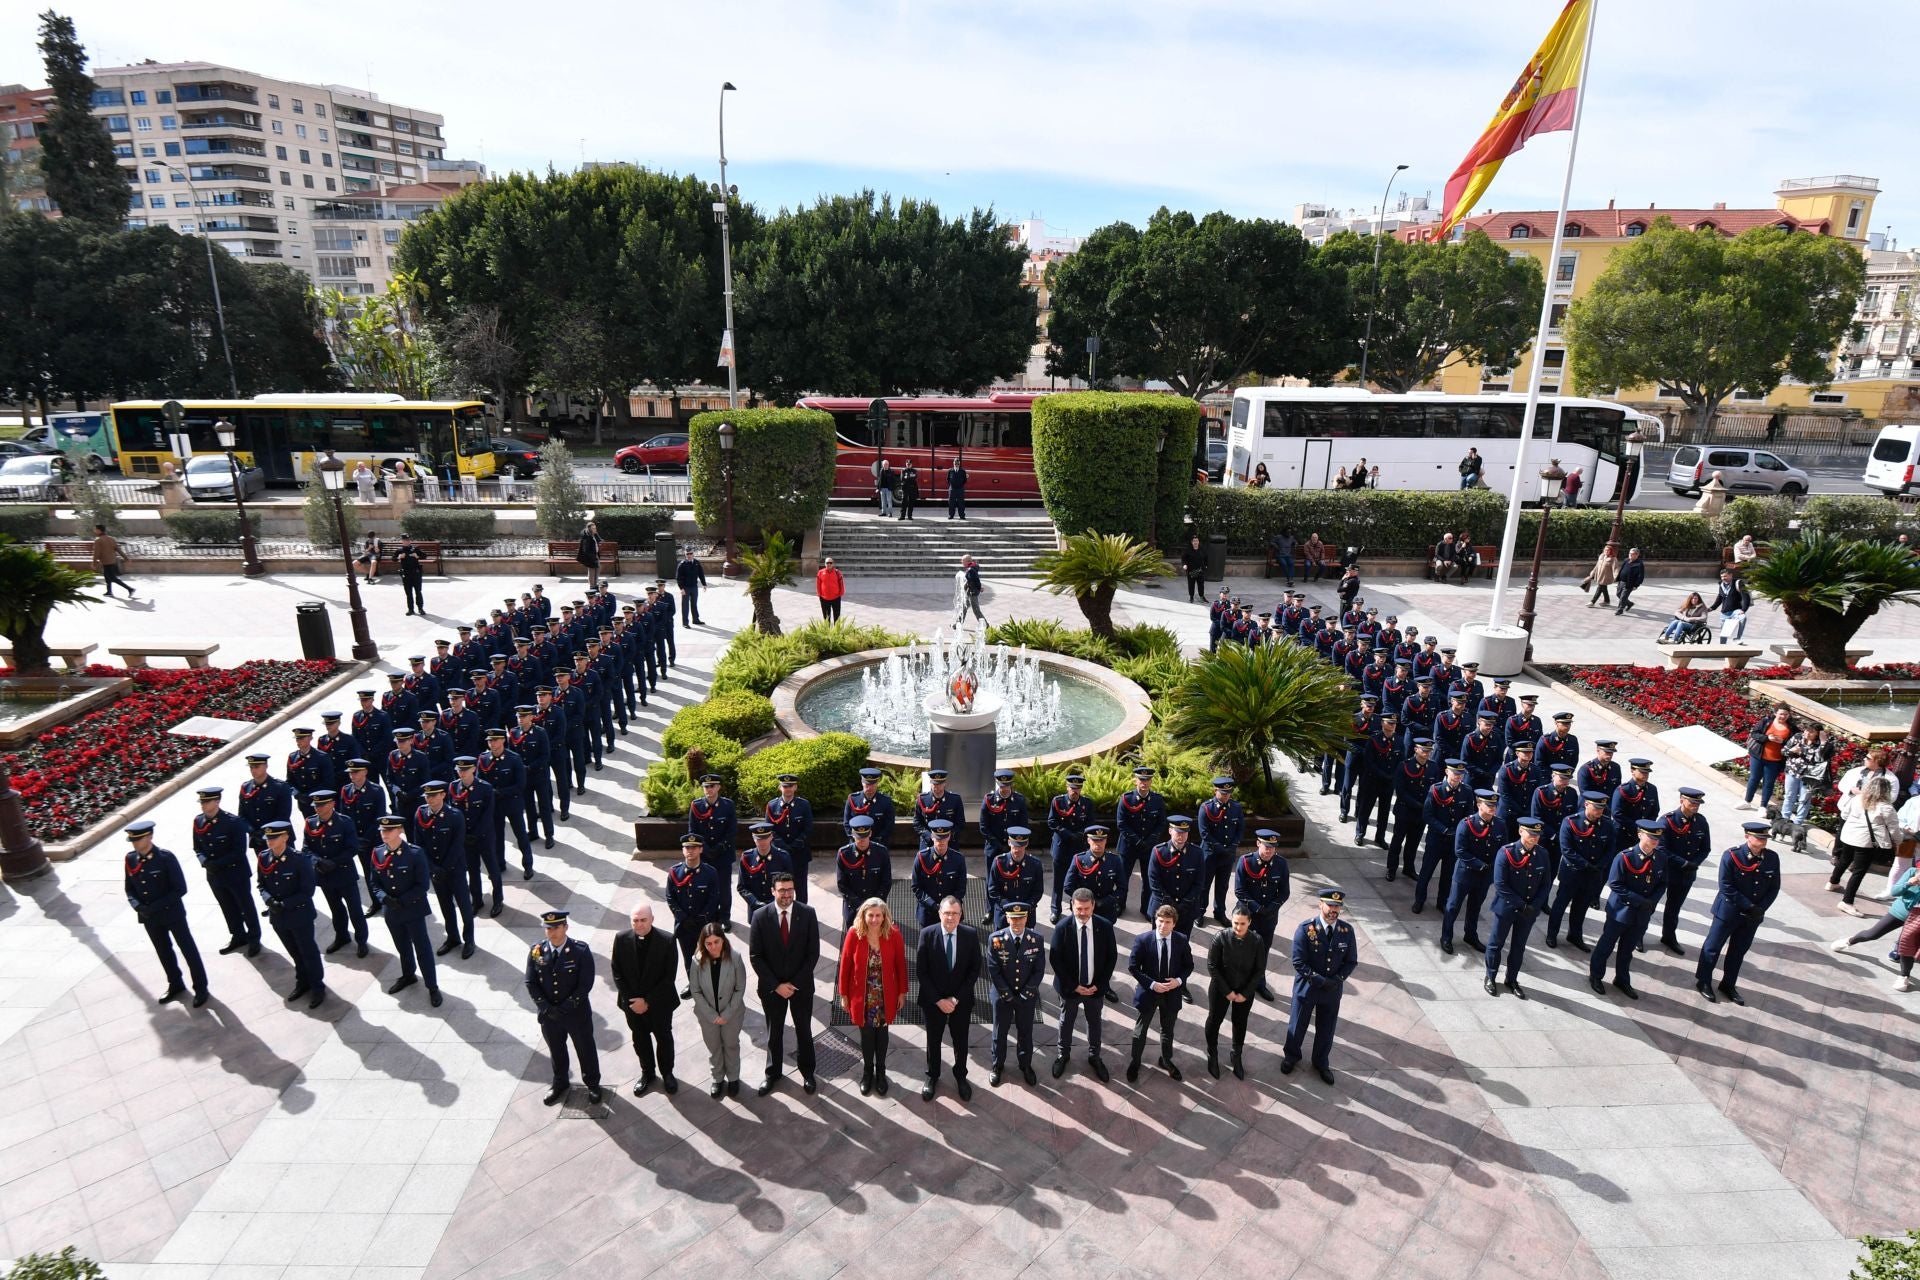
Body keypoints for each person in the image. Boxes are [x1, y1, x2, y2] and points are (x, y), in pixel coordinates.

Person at [124, 819, 209, 1007]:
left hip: (172, 914)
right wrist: (137, 906)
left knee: (188, 949)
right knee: (163, 951)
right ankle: (175, 983)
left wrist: (153, 907)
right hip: (149, 918)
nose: (135, 844)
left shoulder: (165, 858)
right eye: (133, 841)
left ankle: (201, 987)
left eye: (139, 839)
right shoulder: (130, 859)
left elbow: (180, 889)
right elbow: (129, 889)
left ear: (150, 837)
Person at [749, 874, 820, 1095]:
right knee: (774, 1032)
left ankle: (808, 1073)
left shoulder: (807, 913)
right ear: (773, 891)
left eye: (790, 889)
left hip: (801, 987)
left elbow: (813, 954)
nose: (786, 894)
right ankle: (773, 1074)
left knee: (804, 1031)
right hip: (772, 989)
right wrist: (777, 985)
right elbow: (756, 956)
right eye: (782, 890)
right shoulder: (760, 916)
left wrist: (794, 983)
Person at [1697, 822, 1781, 1005]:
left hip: (1752, 916)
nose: (1763, 841)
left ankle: (1728, 984)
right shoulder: (1732, 855)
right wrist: (1748, 905)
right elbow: (1726, 886)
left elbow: (1774, 887)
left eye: (1765, 838)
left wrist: (1761, 908)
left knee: (1738, 951)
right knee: (1712, 947)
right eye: (1759, 837)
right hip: (1729, 911)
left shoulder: (1772, 858)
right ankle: (1703, 981)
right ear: (1747, 837)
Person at [527, 910, 602, 1106]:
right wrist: (546, 1007)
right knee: (556, 1050)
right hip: (550, 1016)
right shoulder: (537, 951)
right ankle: (560, 1082)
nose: (551, 932)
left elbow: (585, 984)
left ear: (566, 927)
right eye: (548, 928)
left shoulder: (580, 951)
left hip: (576, 1013)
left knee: (585, 1049)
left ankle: (593, 1084)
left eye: (556, 927)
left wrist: (566, 1006)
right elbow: (530, 982)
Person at [1283, 887, 1356, 1084]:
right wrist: (1319, 980)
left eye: (1337, 906)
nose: (1334, 910)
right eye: (1330, 905)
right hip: (1307, 988)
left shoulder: (1346, 931)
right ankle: (1291, 1056)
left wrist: (1337, 979)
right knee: (1297, 1025)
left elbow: (1351, 961)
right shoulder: (1306, 929)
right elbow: (1298, 961)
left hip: (1332, 990)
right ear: (1320, 904)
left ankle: (1321, 1062)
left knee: (1327, 1028)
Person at [1588, 820, 1667, 1000]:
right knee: (1606, 945)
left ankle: (1622, 979)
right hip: (1621, 911)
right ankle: (1596, 975)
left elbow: (1663, 883)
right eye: (1650, 837)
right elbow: (1615, 883)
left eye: (1657, 838)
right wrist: (1640, 900)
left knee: (1627, 949)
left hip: (1642, 913)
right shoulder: (1625, 857)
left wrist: (1652, 901)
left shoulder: (1661, 858)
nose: (1654, 841)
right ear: (1640, 835)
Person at [838, 897, 909, 1096]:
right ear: (864, 915)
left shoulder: (893, 934)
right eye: (871, 915)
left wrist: (902, 992)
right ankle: (868, 1071)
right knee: (867, 1036)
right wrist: (843, 994)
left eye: (878, 915)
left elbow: (900, 965)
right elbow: (845, 966)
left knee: (882, 1035)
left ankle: (881, 1072)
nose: (875, 919)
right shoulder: (854, 933)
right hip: (862, 996)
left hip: (885, 995)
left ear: (884, 916)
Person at [611, 900, 679, 1096]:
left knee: (664, 1039)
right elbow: (617, 972)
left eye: (643, 920)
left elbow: (669, 977)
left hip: (659, 1004)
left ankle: (667, 1074)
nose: (639, 924)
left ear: (652, 920)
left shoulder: (667, 940)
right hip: (632, 1005)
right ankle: (647, 1073)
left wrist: (647, 1001)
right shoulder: (621, 938)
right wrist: (634, 1001)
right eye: (635, 921)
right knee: (640, 1039)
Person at [916, 895, 981, 1100]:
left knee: (960, 1041)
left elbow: (974, 970)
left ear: (961, 915)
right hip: (933, 1001)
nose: (951, 917)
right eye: (947, 913)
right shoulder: (927, 934)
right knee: (933, 1041)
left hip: (960, 1002)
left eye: (955, 913)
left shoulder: (970, 934)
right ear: (939, 914)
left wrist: (955, 999)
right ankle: (932, 1076)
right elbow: (921, 972)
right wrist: (938, 1000)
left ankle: (961, 1076)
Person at [369, 815, 438, 1005]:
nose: (384, 834)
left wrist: (402, 900)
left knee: (422, 949)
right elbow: (374, 883)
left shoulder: (415, 854)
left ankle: (432, 986)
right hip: (392, 911)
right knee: (402, 947)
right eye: (382, 831)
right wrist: (384, 899)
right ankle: (408, 975)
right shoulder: (377, 853)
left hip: (412, 909)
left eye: (389, 830)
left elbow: (422, 885)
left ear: (399, 830)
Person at [1049, 889, 1116, 1082]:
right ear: (1072, 906)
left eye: (1087, 908)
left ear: (1093, 906)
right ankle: (1063, 1055)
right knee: (1066, 1021)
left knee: (1094, 1022)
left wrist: (1100, 984)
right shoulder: (1062, 928)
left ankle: (1095, 1056)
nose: (1083, 913)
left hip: (1095, 989)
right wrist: (1073, 986)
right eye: (1079, 909)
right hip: (1070, 989)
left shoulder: (1105, 927)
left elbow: (1111, 958)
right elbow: (1056, 959)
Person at [1485, 817, 1552, 998]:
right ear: (1521, 831)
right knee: (1496, 944)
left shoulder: (1543, 854)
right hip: (1506, 908)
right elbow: (1500, 885)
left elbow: (1546, 884)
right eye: (1531, 834)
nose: (1534, 838)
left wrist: (1535, 905)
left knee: (1518, 947)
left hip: (1528, 912)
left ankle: (1512, 979)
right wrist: (1522, 904)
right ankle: (1490, 976)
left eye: (1537, 835)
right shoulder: (1506, 852)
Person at [191, 786, 260, 958]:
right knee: (227, 907)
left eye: (207, 801)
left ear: (217, 801)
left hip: (235, 873)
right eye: (202, 802)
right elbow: (197, 848)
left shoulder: (232, 822)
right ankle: (238, 935)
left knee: (245, 906)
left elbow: (239, 851)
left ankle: (254, 938)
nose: (203, 805)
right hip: (214, 875)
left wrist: (217, 863)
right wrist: (205, 863)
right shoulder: (198, 822)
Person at [1125, 904, 1192, 1082]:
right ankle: (1135, 1062)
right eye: (1160, 921)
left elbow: (1188, 965)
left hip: (1171, 994)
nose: (1163, 926)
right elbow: (1133, 967)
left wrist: (1178, 982)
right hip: (1149, 993)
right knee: (1140, 1031)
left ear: (1174, 924)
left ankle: (1166, 1060)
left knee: (1168, 1031)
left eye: (1167, 922)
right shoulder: (1143, 940)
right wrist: (1152, 984)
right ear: (1156, 920)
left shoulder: (1181, 940)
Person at [1830, 860, 1920, 992]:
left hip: (1917, 919)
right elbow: (1895, 891)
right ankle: (1850, 941)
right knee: (1872, 934)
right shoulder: (1911, 872)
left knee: (1906, 945)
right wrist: (1909, 883)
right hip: (1900, 913)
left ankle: (1903, 976)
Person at [987, 902, 1045, 1086]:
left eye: (1021, 918)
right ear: (1007, 918)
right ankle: (997, 1065)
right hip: (1003, 996)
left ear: (1027, 918)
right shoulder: (996, 939)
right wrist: (1008, 995)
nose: (1017, 922)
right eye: (1013, 918)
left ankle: (1025, 1065)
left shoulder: (1036, 939)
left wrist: (1026, 993)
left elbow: (1039, 970)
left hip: (1026, 997)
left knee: (1025, 1032)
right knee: (999, 1032)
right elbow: (993, 969)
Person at [1204, 906, 1263, 1079]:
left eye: (1242, 924)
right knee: (1215, 1020)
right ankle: (1212, 1053)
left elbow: (1259, 969)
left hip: (1245, 989)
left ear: (1249, 922)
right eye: (1235, 923)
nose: (1238, 927)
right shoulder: (1220, 937)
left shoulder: (1257, 941)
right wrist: (1227, 991)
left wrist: (1246, 992)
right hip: (1221, 988)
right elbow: (1212, 966)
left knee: (1240, 1022)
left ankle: (1236, 1054)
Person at [690, 922, 747, 1099]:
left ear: (723, 940)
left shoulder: (735, 958)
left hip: (732, 1014)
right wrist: (711, 1015)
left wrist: (727, 1013)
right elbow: (695, 990)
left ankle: (733, 1078)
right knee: (713, 1046)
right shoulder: (697, 960)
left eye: (716, 942)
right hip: (708, 1016)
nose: (713, 947)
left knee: (731, 1044)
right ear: (703, 944)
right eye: (708, 943)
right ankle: (717, 1078)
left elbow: (740, 988)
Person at [1832, 774, 1899, 916]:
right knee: (1859, 871)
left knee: (1844, 859)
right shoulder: (1886, 808)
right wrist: (1899, 841)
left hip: (1849, 836)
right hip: (1865, 842)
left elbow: (1844, 815)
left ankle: (1833, 882)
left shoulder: (1857, 799)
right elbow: (1894, 830)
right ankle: (1847, 901)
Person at [1781, 726, 1834, 853]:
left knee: (1804, 799)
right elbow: (1784, 751)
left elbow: (1821, 758)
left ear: (1817, 733)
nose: (1807, 733)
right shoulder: (1798, 737)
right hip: (1793, 771)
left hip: (1810, 775)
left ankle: (1798, 822)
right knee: (1789, 795)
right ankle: (1784, 818)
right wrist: (1792, 750)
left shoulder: (1823, 744)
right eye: (1806, 730)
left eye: (1811, 731)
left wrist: (1823, 742)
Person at [1743, 707, 1796, 811]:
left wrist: (1783, 742)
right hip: (1758, 756)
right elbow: (1754, 734)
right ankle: (1747, 801)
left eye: (1786, 714)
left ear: (1789, 715)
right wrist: (1767, 738)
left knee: (1769, 783)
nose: (1783, 716)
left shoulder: (1792, 728)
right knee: (1754, 779)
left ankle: (1763, 806)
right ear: (1775, 713)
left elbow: (1794, 742)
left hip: (1775, 760)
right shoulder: (1766, 721)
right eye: (1781, 714)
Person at [90, 522, 135, 598]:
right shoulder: (111, 538)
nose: (94, 531)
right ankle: (109, 591)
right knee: (107, 576)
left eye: (95, 529)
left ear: (99, 530)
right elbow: (118, 549)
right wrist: (126, 558)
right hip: (112, 561)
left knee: (113, 578)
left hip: (106, 562)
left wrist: (94, 563)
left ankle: (130, 589)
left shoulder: (98, 540)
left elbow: (96, 553)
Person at [1709, 569, 1752, 642]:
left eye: (1725, 576)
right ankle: (1722, 649)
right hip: (1725, 613)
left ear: (1731, 575)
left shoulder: (1738, 583)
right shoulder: (1721, 585)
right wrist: (1712, 608)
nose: (1723, 578)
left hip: (1735, 611)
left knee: (1743, 618)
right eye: (1721, 577)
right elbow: (1720, 597)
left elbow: (1746, 596)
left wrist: (1744, 609)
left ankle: (1737, 638)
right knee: (1724, 636)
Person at [675, 547, 707, 627]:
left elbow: (701, 574)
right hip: (685, 588)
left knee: (694, 604)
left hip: (694, 587)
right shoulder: (682, 564)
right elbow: (678, 578)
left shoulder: (696, 563)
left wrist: (704, 584)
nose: (689, 555)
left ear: (693, 554)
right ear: (685, 555)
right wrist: (681, 588)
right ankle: (685, 623)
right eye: (687, 554)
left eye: (691, 553)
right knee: (685, 606)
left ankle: (695, 620)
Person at [395, 536, 426, 616]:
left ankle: (420, 608)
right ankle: (410, 609)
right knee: (408, 593)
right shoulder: (400, 550)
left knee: (418, 591)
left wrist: (417, 556)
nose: (407, 542)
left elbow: (424, 556)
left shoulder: (415, 549)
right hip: (406, 574)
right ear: (402, 541)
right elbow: (393, 558)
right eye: (405, 540)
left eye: (408, 540)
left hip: (416, 573)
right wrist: (399, 557)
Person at [1615, 547, 1646, 616]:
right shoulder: (1626, 560)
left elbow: (1641, 576)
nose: (1630, 555)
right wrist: (1618, 579)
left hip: (1629, 583)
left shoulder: (1639, 564)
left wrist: (1636, 585)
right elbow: (1622, 569)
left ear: (1637, 555)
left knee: (1623, 597)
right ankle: (1629, 604)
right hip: (1621, 581)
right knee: (1618, 594)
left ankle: (1620, 610)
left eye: (1632, 554)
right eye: (1629, 553)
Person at [815, 556, 846, 622]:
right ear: (825, 564)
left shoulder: (837, 573)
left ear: (833, 564)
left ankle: (836, 631)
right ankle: (827, 631)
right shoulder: (820, 573)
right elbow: (818, 584)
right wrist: (819, 594)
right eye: (827, 563)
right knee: (826, 618)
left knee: (837, 617)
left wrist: (841, 593)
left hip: (836, 598)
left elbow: (841, 583)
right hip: (824, 599)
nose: (829, 564)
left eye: (830, 563)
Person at [576, 520, 603, 591]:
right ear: (589, 529)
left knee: (598, 569)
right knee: (592, 571)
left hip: (595, 555)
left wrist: (596, 534)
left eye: (595, 528)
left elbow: (600, 540)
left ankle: (595, 584)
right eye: (593, 528)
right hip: (590, 557)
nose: (595, 529)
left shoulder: (593, 535)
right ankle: (592, 586)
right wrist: (592, 557)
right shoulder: (586, 537)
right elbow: (585, 550)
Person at [1181, 535, 1207, 603]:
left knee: (1201, 584)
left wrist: (1206, 565)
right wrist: (1184, 565)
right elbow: (1183, 558)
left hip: (1200, 570)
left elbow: (1206, 557)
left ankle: (1202, 596)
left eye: (1197, 541)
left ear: (1198, 542)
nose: (1196, 542)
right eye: (1194, 541)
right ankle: (1191, 597)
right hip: (1191, 570)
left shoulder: (1202, 549)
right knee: (1191, 584)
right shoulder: (1188, 550)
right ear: (1192, 542)